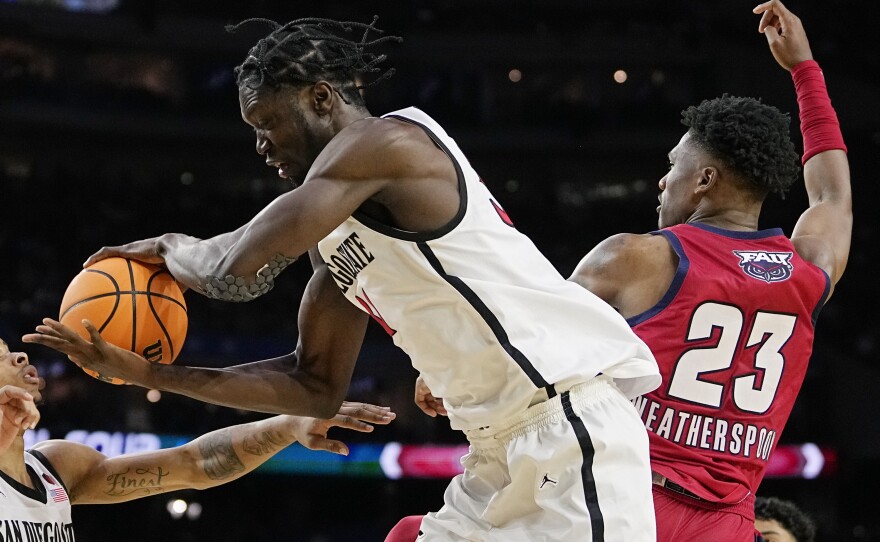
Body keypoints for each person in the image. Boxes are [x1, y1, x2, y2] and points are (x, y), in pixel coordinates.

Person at [23, 14, 662, 542]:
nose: (261, 146)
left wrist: (168, 246)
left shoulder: (385, 143)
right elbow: (313, 386)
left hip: (570, 432)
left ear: (321, 98)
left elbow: (233, 268)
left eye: (265, 122)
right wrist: (156, 377)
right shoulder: (338, 239)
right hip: (496, 451)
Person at [396, 0, 850, 540]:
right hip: (727, 520)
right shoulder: (808, 269)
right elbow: (832, 193)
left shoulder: (637, 257)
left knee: (410, 534)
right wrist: (804, 71)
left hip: (626, 497)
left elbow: (521, 338)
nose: (663, 182)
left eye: (671, 166)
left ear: (704, 180)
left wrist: (444, 376)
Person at [0, 337, 395, 537]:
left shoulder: (56, 468)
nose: (18, 356)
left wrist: (287, 425)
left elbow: (193, 464)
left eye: (10, 350)